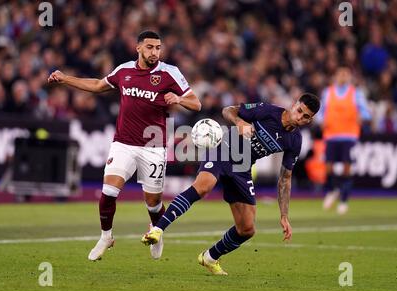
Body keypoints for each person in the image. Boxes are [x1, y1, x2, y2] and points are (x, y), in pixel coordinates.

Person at [48, 30, 202, 261]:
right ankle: (106, 237)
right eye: (149, 47)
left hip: (153, 147)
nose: (155, 52)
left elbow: (196, 103)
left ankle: (156, 230)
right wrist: (65, 78)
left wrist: (179, 99)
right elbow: (99, 85)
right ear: (138, 48)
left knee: (153, 204)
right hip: (123, 144)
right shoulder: (124, 71)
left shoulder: (170, 73)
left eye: (158, 48)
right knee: (108, 192)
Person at [141, 93, 320, 275]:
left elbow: (285, 178)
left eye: (306, 116)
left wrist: (284, 215)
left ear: (309, 120)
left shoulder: (295, 141)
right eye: (299, 110)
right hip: (224, 149)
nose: (299, 117)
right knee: (204, 186)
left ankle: (210, 257)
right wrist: (240, 122)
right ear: (294, 104)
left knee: (247, 229)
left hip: (242, 168)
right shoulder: (268, 111)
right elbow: (228, 110)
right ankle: (158, 229)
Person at [318, 67, 371, 214]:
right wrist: (320, 120)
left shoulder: (356, 93)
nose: (343, 77)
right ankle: (333, 190)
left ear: (349, 77)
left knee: (347, 168)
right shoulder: (328, 92)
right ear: (335, 76)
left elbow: (366, 113)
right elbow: (321, 112)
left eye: (346, 74)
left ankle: (344, 200)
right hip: (331, 135)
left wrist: (363, 117)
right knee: (328, 167)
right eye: (340, 74)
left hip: (349, 136)